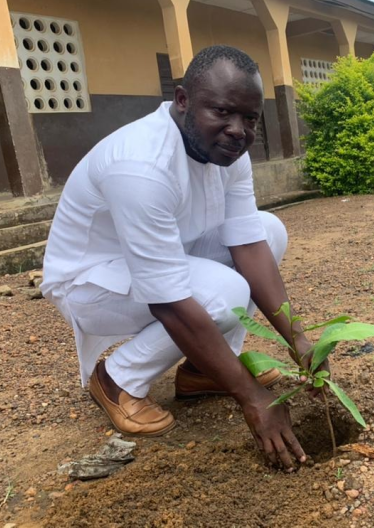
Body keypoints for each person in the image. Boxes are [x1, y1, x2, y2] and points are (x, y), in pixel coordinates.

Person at [41, 45, 325, 472]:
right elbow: (169, 300)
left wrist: (299, 339)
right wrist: (252, 398)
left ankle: (202, 370)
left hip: (160, 260)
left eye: (250, 119)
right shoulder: (142, 165)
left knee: (269, 231)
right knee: (223, 293)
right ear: (182, 100)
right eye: (223, 112)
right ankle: (118, 378)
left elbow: (248, 245)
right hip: (91, 283)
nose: (238, 131)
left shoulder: (228, 152)